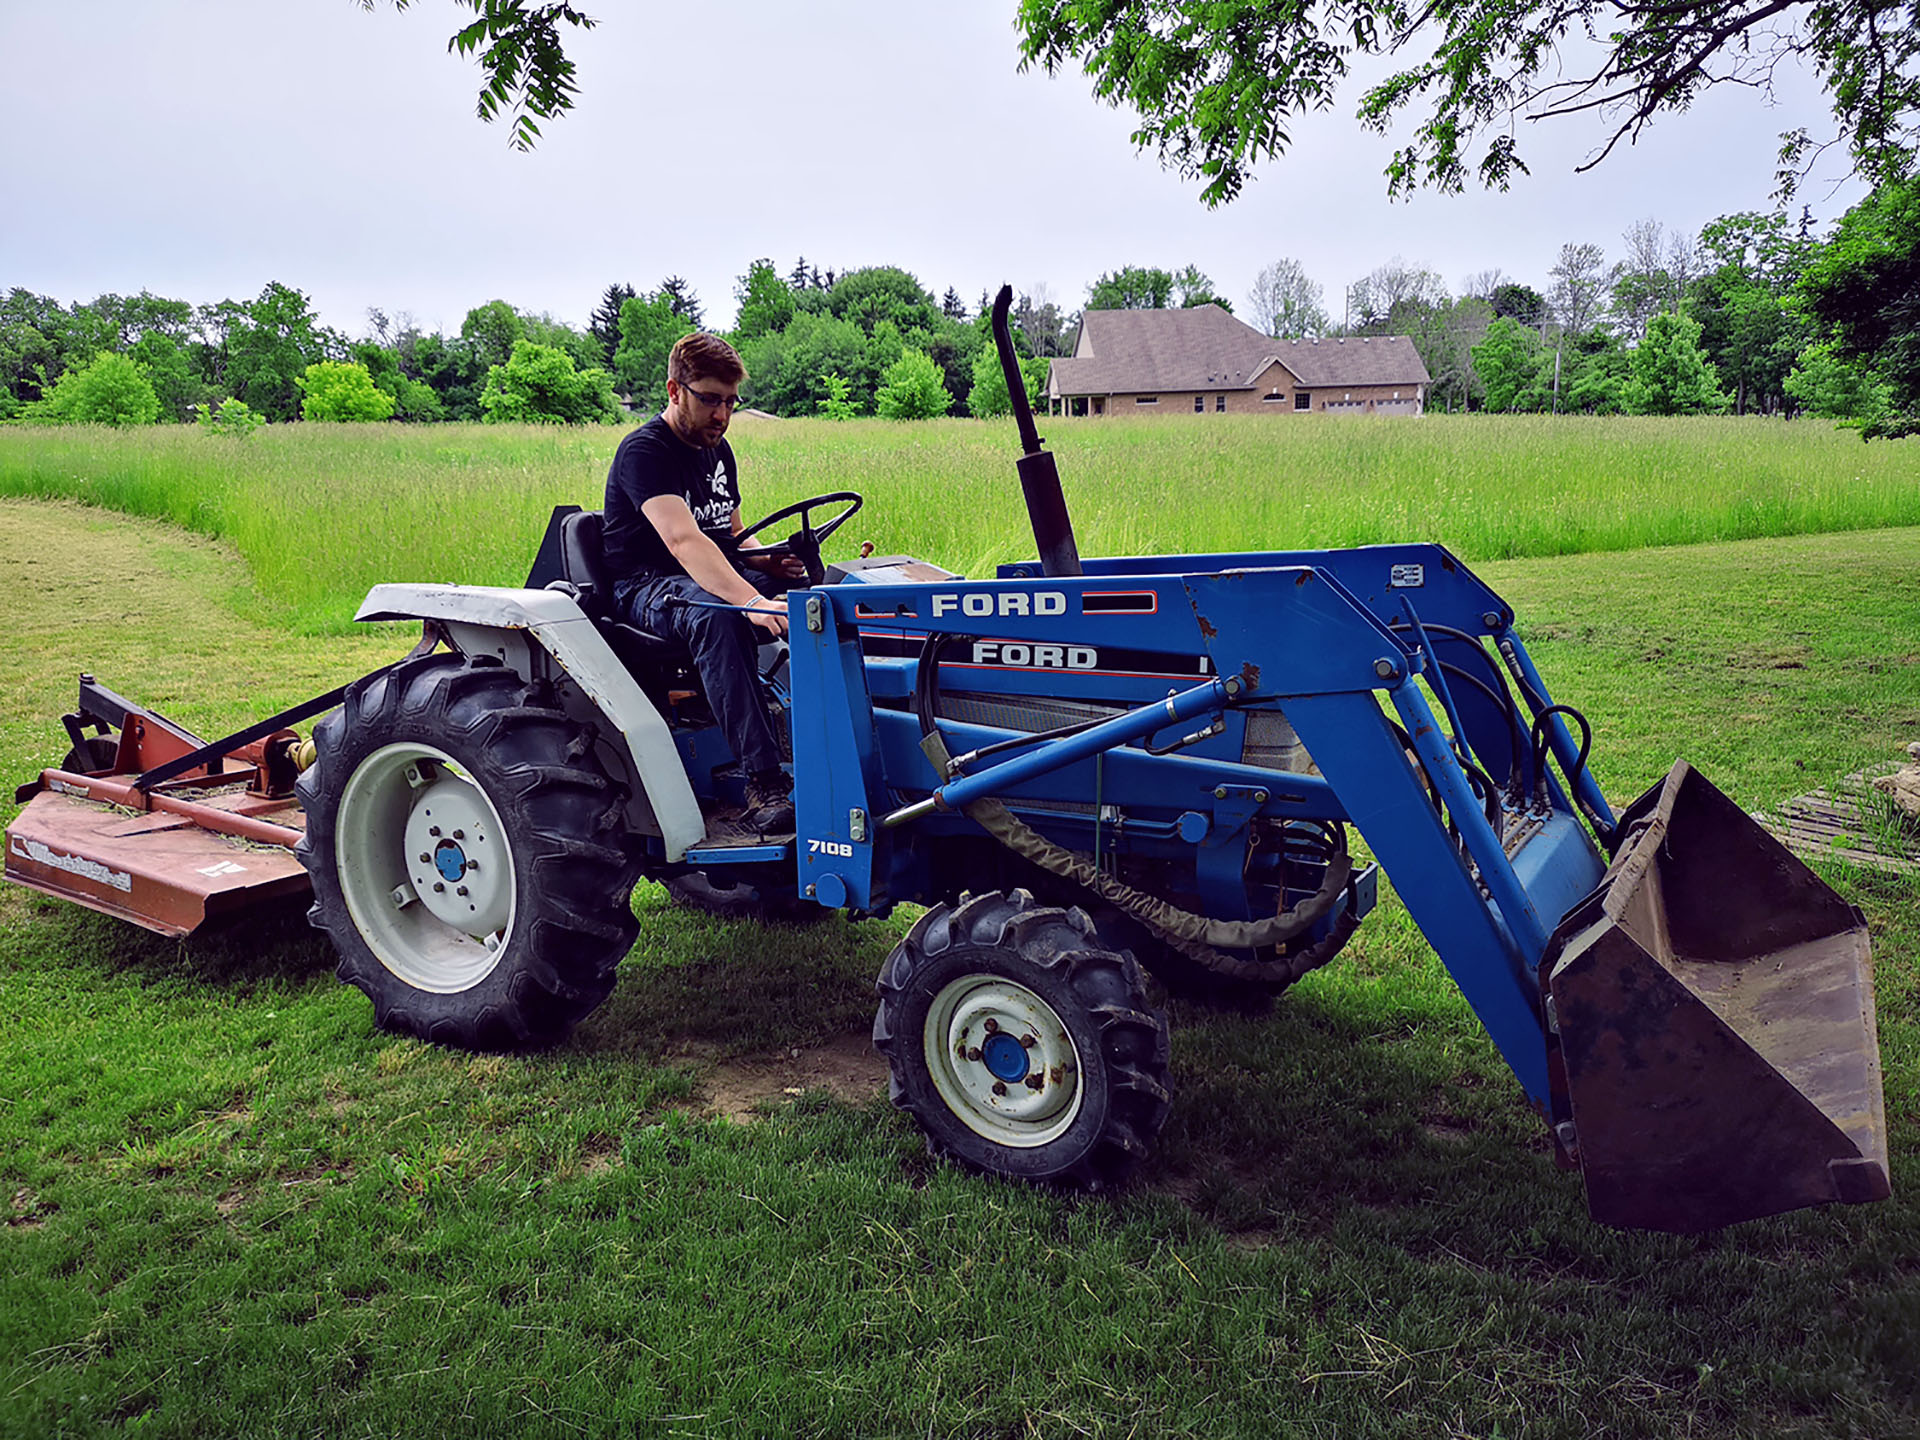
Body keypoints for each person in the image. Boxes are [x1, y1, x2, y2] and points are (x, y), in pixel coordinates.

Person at [603, 332, 804, 836]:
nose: (722, 415)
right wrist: (752, 598)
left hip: (701, 576)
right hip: (646, 585)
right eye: (710, 400)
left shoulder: (719, 450)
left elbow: (731, 536)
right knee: (722, 614)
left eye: (730, 402)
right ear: (675, 391)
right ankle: (764, 782)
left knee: (818, 598)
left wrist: (772, 563)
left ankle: (829, 742)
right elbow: (683, 541)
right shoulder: (645, 452)